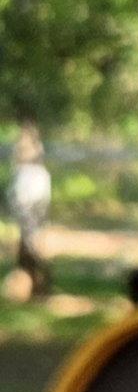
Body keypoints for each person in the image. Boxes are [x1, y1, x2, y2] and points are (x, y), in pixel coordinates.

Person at [8, 123, 51, 298]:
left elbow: (33, 201)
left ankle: (40, 290)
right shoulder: (24, 171)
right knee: (26, 256)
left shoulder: (36, 173)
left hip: (32, 220)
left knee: (34, 254)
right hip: (26, 220)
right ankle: (30, 290)